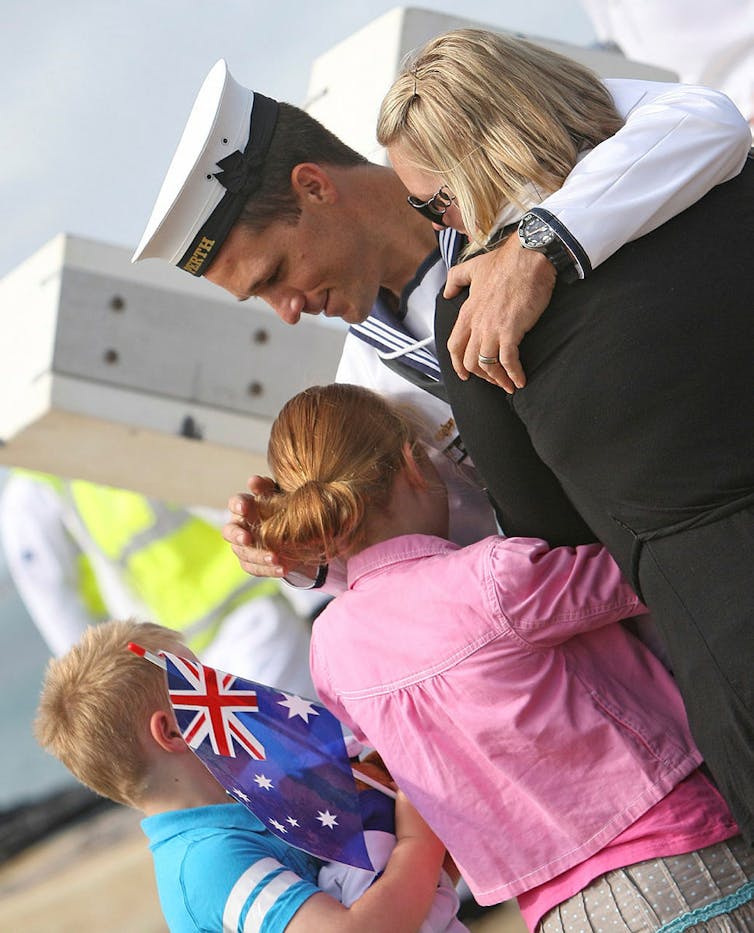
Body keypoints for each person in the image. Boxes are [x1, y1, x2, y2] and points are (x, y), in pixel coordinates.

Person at [129, 57, 751, 586]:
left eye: (273, 275)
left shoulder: (494, 145)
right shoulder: (367, 390)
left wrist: (542, 246)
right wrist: (314, 553)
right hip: (680, 590)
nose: (286, 313)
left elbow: (706, 122)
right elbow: (466, 548)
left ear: (314, 187)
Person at [376, 28, 754, 842]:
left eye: (431, 203)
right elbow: (706, 120)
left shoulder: (479, 314)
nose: (439, 228)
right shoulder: (727, 174)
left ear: (479, 167)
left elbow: (552, 531)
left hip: (728, 611)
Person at [244, 382, 754, 932]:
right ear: (416, 466)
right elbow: (652, 567)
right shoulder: (495, 579)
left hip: (554, 913)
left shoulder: (331, 650)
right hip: (679, 854)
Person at [34, 618, 467, 933]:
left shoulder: (254, 803)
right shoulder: (206, 861)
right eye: (201, 683)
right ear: (170, 730)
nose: (230, 689)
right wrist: (418, 841)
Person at [1, 471, 316, 696]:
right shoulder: (39, 488)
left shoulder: (39, 487)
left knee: (299, 766)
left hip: (251, 621)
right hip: (189, 660)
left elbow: (232, 506)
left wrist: (314, 600)